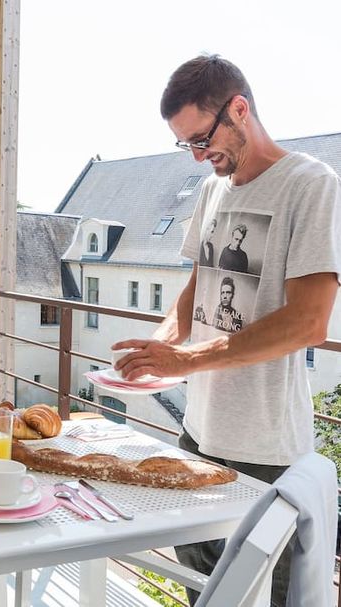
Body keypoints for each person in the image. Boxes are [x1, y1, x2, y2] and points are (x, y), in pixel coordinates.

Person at [112, 55, 340, 606]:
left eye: (201, 138)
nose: (196, 155)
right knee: (205, 590)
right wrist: (164, 343)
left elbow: (308, 322)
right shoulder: (213, 189)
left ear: (239, 109)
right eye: (185, 144)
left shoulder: (310, 185)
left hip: (266, 447)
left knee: (265, 595)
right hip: (199, 431)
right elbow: (198, 286)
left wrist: (187, 360)